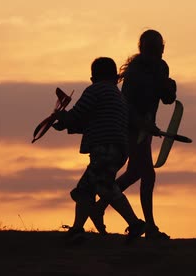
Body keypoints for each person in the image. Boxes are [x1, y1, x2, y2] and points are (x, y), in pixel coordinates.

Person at [91, 30, 176, 239]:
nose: (159, 51)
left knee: (135, 172)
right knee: (147, 173)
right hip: (129, 127)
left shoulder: (162, 67)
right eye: (155, 47)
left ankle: (99, 206)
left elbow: (166, 99)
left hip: (145, 129)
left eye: (160, 47)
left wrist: (170, 88)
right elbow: (125, 104)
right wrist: (141, 124)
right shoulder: (135, 72)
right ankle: (151, 228)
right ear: (144, 48)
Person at [53, 57, 146, 243]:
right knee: (86, 188)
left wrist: (63, 118)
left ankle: (135, 223)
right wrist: (67, 123)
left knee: (103, 187)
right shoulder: (118, 96)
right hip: (119, 150)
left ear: (92, 77)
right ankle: (78, 229)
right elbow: (93, 122)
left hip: (104, 148)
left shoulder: (94, 91)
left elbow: (79, 114)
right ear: (115, 77)